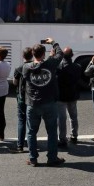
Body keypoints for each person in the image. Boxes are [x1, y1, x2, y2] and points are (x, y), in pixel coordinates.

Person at [22, 38, 65, 167]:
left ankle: (33, 158)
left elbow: (24, 79)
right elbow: (60, 54)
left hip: (32, 103)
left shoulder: (26, 67)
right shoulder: (50, 64)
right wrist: (53, 42)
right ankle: (52, 158)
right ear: (44, 54)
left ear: (32, 54)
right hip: (49, 103)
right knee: (52, 132)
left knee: (31, 132)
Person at [56, 47, 82, 148]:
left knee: (62, 119)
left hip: (61, 96)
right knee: (73, 117)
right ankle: (74, 136)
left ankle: (62, 139)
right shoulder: (78, 67)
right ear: (72, 55)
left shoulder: (58, 67)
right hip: (73, 95)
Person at [12, 47, 33, 152]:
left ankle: (20, 145)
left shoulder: (19, 68)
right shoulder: (35, 66)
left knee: (21, 120)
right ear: (32, 55)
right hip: (32, 97)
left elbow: (15, 83)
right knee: (31, 120)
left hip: (21, 97)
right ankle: (31, 142)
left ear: (23, 56)